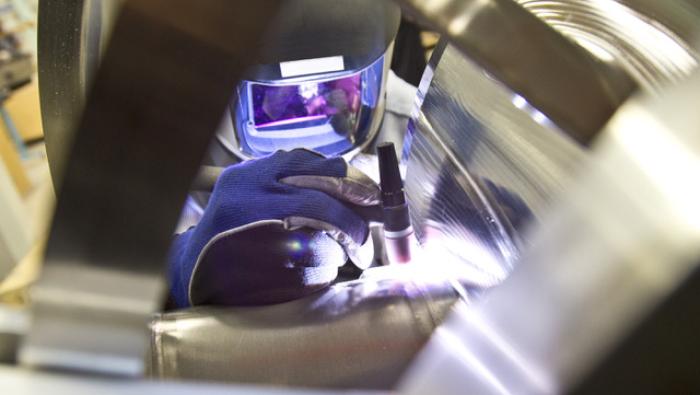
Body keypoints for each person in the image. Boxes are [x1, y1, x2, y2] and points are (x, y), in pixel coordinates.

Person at [167, 0, 418, 308]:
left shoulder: (412, 123)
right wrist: (179, 268)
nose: (309, 100)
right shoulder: (168, 132)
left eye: (334, 91)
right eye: (274, 100)